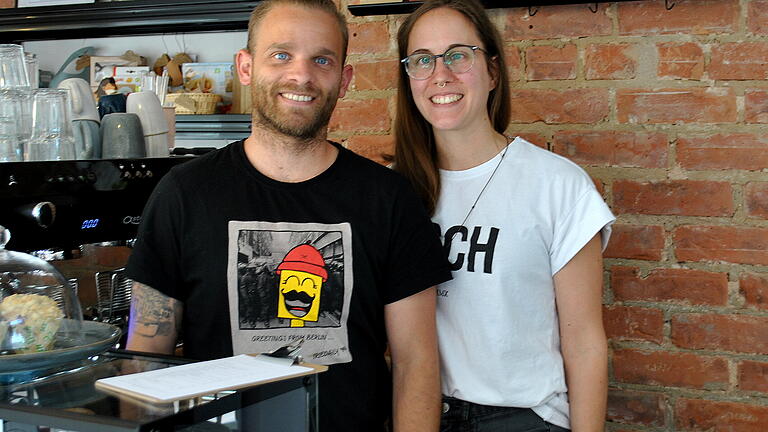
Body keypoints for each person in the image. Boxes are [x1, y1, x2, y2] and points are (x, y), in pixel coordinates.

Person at [124, 0, 451, 430]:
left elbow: (416, 364)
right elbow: (146, 355)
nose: (302, 75)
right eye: (281, 55)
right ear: (246, 67)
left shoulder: (388, 198)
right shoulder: (184, 193)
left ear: (344, 78)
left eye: (322, 59)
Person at [393, 1, 616, 431]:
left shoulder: (558, 186)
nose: (441, 74)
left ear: (493, 72)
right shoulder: (393, 190)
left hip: (523, 418)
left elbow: (585, 343)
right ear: (409, 78)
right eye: (423, 60)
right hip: (419, 411)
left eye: (459, 55)